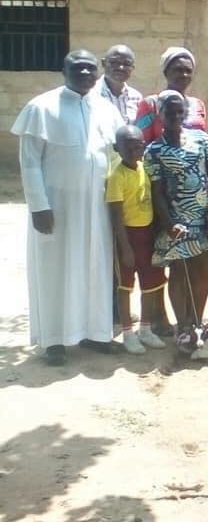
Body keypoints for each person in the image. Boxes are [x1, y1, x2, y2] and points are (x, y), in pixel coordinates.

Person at [12, 50, 124, 365]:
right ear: (65, 70)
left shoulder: (105, 109)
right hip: (56, 206)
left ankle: (95, 333)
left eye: (91, 68)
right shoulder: (41, 107)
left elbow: (117, 155)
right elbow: (30, 162)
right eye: (79, 68)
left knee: (95, 266)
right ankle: (54, 340)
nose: (86, 73)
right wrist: (38, 206)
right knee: (54, 270)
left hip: (96, 206)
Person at [144, 90, 208, 333]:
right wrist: (168, 224)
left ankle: (197, 322)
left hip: (203, 218)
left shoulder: (201, 139)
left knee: (201, 269)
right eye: (170, 111)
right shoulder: (154, 151)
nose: (176, 115)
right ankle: (183, 326)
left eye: (180, 111)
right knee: (178, 272)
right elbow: (157, 191)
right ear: (160, 115)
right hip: (176, 222)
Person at [106, 125, 167, 354]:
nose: (133, 151)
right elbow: (116, 215)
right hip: (128, 236)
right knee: (125, 286)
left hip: (147, 234)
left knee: (150, 284)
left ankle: (146, 328)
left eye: (138, 146)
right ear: (117, 148)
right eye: (128, 147)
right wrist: (125, 248)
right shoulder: (116, 176)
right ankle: (128, 332)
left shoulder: (145, 169)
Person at [135, 46, 207, 144]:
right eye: (178, 70)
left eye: (188, 71)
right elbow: (141, 143)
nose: (184, 75)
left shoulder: (197, 104)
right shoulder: (151, 104)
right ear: (166, 72)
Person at [95, 44, 142, 124]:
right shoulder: (92, 93)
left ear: (132, 68)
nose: (121, 68)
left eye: (127, 64)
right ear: (104, 63)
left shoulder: (136, 97)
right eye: (115, 62)